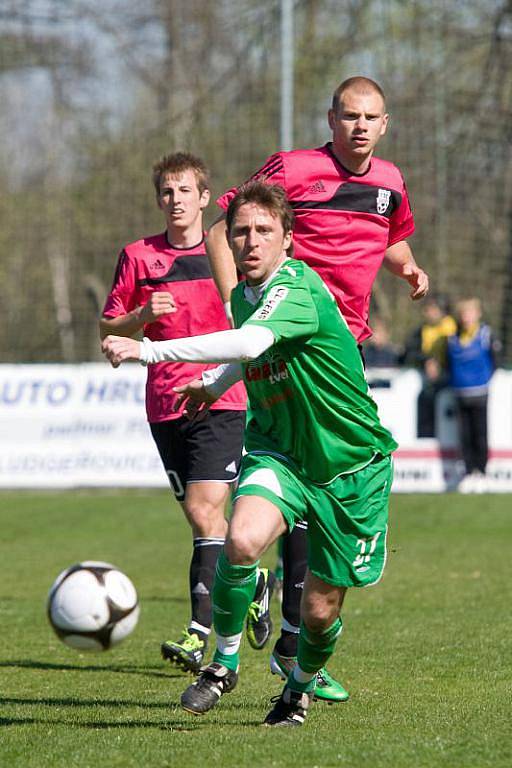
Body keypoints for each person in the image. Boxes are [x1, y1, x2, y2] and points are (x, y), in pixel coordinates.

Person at [102, 181, 398, 727]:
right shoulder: (244, 295)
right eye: (241, 231)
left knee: (318, 611)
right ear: (230, 241)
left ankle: (299, 689)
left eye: (265, 230)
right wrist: (215, 384)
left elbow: (249, 343)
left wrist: (148, 349)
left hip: (349, 467)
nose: (251, 241)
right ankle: (224, 662)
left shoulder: (298, 286)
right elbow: (249, 349)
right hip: (279, 451)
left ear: (288, 238)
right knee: (240, 540)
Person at [204, 75, 429, 700]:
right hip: (284, 336)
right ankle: (283, 643)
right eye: (349, 115)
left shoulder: (390, 183)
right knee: (298, 475)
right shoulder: (295, 169)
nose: (359, 126)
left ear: (384, 125)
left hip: (342, 349)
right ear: (330, 119)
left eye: (371, 117)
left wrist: (406, 263)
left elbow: (391, 234)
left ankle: (290, 642)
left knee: (324, 481)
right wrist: (237, 308)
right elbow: (229, 222)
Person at [99, 153, 274, 675]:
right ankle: (256, 580)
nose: (175, 200)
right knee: (208, 524)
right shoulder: (137, 256)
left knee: (204, 515)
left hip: (222, 397)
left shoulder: (231, 254)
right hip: (165, 405)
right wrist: (140, 316)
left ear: (204, 198)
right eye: (166, 192)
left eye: (185, 191)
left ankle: (199, 634)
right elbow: (109, 327)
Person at [446, 298, 500, 493]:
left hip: (480, 392)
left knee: (480, 433)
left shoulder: (486, 334)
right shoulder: (452, 338)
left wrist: (484, 380)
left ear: (478, 314)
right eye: (463, 314)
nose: (466, 317)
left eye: (470, 313)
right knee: (464, 435)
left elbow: (495, 361)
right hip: (459, 393)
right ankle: (468, 473)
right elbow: (447, 364)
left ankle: (482, 472)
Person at [402, 294, 456, 437]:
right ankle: (427, 436)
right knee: (424, 396)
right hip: (429, 378)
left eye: (432, 309)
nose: (428, 312)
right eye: (427, 309)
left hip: (451, 374)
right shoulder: (420, 332)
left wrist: (441, 364)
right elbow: (409, 354)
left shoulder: (454, 328)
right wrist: (427, 360)